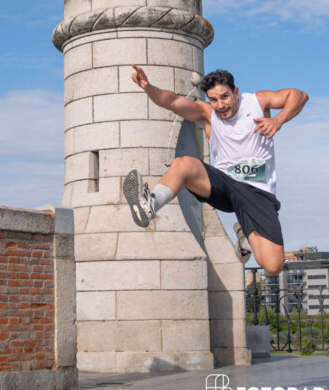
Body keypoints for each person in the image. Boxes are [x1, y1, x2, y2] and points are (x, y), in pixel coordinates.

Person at [123, 65, 308, 275]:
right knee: (183, 164)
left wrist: (278, 120)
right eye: (214, 99)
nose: (220, 105)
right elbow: (173, 101)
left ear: (236, 92)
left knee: (273, 266)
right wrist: (148, 87)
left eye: (225, 97)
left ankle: (244, 235)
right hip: (224, 184)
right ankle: (151, 203)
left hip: (258, 191)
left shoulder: (258, 101)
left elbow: (299, 96)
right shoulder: (207, 113)